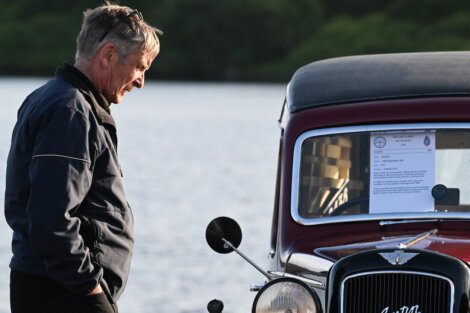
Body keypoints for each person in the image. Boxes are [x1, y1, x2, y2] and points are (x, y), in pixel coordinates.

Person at [4, 2, 161, 313]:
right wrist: (92, 290)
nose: (141, 81)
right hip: (62, 292)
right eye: (141, 67)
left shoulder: (60, 100)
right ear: (109, 55)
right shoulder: (69, 110)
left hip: (55, 285)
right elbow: (52, 221)